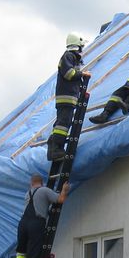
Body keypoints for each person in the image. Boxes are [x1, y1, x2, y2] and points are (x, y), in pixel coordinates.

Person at [15, 173, 69, 258]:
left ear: (31, 183)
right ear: (42, 182)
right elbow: (60, 199)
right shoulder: (45, 190)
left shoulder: (27, 194)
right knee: (32, 256)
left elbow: (37, 205)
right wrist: (64, 190)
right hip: (36, 225)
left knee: (21, 251)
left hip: (22, 225)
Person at [48, 32, 91, 161]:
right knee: (63, 123)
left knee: (63, 122)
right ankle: (55, 149)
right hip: (66, 96)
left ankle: (54, 146)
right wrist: (82, 74)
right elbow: (69, 74)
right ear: (78, 45)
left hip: (70, 96)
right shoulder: (68, 56)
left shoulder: (72, 58)